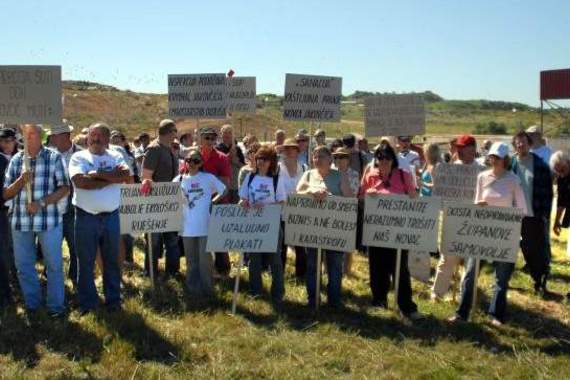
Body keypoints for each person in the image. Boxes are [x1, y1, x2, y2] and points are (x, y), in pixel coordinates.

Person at [449, 142, 528, 326]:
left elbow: (522, 209)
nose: (495, 160)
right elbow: (476, 201)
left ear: (505, 159)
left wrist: (510, 224)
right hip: (481, 233)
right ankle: (462, 313)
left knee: (501, 277)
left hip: (504, 235)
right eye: (492, 157)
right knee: (469, 274)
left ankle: (496, 315)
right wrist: (479, 205)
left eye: (498, 157)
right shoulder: (482, 177)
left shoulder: (513, 180)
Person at [3, 124, 70, 319]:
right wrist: (21, 182)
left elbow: (65, 188)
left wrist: (41, 203)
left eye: (32, 133)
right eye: (25, 133)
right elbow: (6, 193)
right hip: (21, 222)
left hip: (48, 221)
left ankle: (55, 307)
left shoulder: (54, 157)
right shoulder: (16, 160)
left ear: (41, 136)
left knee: (54, 265)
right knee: (24, 266)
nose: (27, 137)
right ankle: (33, 305)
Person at [69, 123, 131, 314]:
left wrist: (99, 175)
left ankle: (113, 300)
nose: (95, 139)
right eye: (92, 135)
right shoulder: (79, 157)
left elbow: (125, 174)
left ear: (107, 139)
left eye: (100, 135)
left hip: (112, 215)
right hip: (86, 217)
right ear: (87, 138)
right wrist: (111, 179)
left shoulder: (116, 155)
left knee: (112, 260)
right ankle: (88, 303)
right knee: (85, 262)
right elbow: (80, 182)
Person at [359, 142, 423, 321]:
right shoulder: (370, 175)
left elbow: (414, 198)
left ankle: (406, 306)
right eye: (379, 157)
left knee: (400, 268)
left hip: (398, 231)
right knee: (376, 267)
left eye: (387, 157)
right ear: (376, 159)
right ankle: (379, 301)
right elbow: (361, 197)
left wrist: (412, 196)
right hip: (376, 229)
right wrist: (367, 195)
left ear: (393, 159)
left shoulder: (403, 175)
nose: (383, 160)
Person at [296, 146, 353, 308]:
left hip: (334, 229)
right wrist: (311, 190)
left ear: (330, 159)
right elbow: (297, 191)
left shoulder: (339, 176)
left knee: (335, 264)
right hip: (313, 229)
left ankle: (334, 300)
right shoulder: (308, 174)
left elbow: (349, 198)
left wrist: (330, 198)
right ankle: (313, 298)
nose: (317, 159)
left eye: (321, 156)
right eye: (314, 156)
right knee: (313, 264)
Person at [431, 134, 484, 300]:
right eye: (459, 149)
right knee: (447, 259)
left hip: (472, 223)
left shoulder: (482, 171)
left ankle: (465, 296)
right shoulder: (449, 169)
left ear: (473, 150)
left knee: (470, 262)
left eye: (465, 149)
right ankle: (438, 293)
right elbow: (440, 194)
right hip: (451, 222)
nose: (460, 152)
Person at [239, 145, 286, 302]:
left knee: (275, 260)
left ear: (271, 161)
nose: (261, 162)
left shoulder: (276, 180)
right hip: (253, 224)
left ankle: (278, 293)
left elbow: (281, 203)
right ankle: (256, 291)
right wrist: (244, 203)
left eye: (265, 159)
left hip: (272, 225)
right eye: (259, 158)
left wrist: (265, 207)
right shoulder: (250, 177)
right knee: (254, 259)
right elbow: (243, 199)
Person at [177, 147, 226, 296]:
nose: (192, 163)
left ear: (201, 163)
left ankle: (208, 290)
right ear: (185, 162)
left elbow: (224, 190)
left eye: (196, 160)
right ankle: (193, 289)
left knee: (205, 261)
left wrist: (213, 201)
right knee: (191, 261)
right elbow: (168, 195)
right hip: (186, 227)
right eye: (189, 160)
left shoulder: (208, 178)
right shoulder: (178, 179)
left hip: (204, 225)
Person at [511, 131, 553, 294]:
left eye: (523, 142)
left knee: (534, 249)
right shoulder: (510, 164)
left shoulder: (540, 165)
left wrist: (546, 216)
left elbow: (548, 193)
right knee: (508, 248)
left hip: (532, 215)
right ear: (514, 145)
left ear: (529, 144)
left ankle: (539, 280)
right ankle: (503, 280)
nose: (520, 145)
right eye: (517, 142)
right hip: (512, 215)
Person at [141, 119, 181, 278]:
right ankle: (150, 272)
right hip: (155, 203)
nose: (176, 135)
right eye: (174, 131)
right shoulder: (154, 149)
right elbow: (146, 177)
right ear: (169, 132)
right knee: (154, 241)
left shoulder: (170, 149)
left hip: (170, 202)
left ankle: (172, 272)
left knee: (172, 240)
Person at [49, 123, 82, 285]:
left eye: (54, 136)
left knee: (75, 246)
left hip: (75, 207)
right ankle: (53, 280)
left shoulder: (82, 154)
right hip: (53, 207)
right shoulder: (48, 155)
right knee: (51, 247)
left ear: (65, 136)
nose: (51, 139)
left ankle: (75, 279)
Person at [199, 127, 232, 277]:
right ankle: (205, 269)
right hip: (198, 206)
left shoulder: (222, 158)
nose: (210, 141)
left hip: (217, 203)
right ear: (200, 139)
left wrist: (213, 201)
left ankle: (223, 271)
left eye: (213, 138)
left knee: (219, 240)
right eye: (207, 138)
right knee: (202, 238)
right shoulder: (193, 157)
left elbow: (225, 184)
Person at [278, 138, 308, 278]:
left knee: (300, 246)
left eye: (293, 148)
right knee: (281, 246)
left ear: (297, 150)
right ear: (283, 150)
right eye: (287, 148)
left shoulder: (304, 168)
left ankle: (301, 276)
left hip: (299, 213)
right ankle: (280, 274)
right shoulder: (276, 168)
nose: (290, 151)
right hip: (282, 212)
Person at [331, 147, 359, 276]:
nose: (338, 159)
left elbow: (353, 194)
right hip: (331, 211)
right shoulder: (329, 172)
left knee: (347, 244)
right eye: (336, 157)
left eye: (341, 157)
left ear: (348, 159)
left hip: (347, 212)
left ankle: (346, 270)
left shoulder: (354, 174)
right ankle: (328, 268)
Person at [550, 150, 570, 300]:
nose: (560, 174)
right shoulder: (562, 179)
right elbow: (561, 202)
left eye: (562, 170)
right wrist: (556, 222)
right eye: (557, 171)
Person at [216, 124, 245, 203]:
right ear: (221, 134)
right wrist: (229, 157)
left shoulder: (237, 149)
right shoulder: (218, 149)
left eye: (230, 132)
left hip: (236, 185)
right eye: (225, 132)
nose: (227, 135)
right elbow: (217, 167)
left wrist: (237, 162)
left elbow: (243, 167)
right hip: (223, 185)